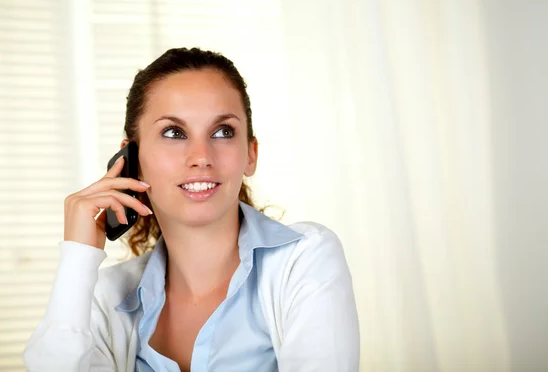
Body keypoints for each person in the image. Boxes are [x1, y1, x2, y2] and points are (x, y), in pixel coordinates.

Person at [23, 48, 359, 371]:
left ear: (250, 153)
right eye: (174, 132)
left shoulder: (303, 259)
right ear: (132, 160)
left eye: (223, 131)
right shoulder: (108, 296)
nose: (201, 156)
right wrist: (78, 256)